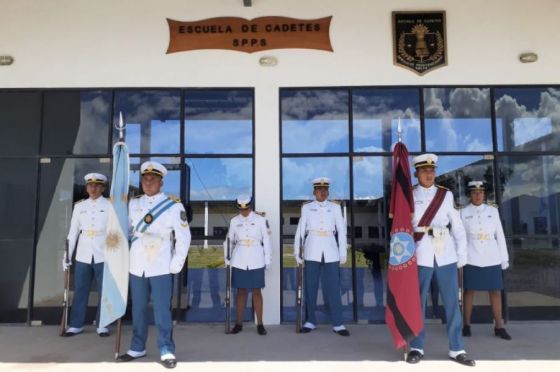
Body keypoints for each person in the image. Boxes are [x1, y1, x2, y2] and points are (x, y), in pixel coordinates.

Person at [117, 161, 191, 369]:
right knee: (138, 308)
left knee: (161, 310)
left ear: (161, 182)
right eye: (145, 179)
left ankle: (166, 349)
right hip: (137, 263)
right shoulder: (133, 203)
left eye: (153, 179)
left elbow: (183, 237)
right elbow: (127, 230)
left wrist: (176, 263)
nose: (148, 183)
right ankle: (137, 347)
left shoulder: (173, 205)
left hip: (160, 264)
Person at [406, 154, 475, 366]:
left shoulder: (445, 195)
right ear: (416, 173)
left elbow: (457, 226)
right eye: (424, 171)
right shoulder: (409, 195)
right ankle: (416, 346)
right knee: (417, 303)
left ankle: (457, 348)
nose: (429, 174)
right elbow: (403, 228)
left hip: (445, 253)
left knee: (452, 303)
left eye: (432, 170)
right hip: (421, 253)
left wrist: (462, 255)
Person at [294, 177, 349, 336]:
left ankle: (338, 323)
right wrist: (297, 251)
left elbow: (341, 231)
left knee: (333, 288)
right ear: (314, 192)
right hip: (312, 249)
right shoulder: (307, 208)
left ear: (328, 191)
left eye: (325, 190)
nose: (323, 192)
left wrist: (343, 251)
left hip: (331, 249)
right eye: (319, 190)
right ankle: (310, 321)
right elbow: (300, 231)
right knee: (310, 287)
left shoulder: (335, 207)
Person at [461, 180, 511, 340]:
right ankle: (466, 325)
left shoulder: (492, 211)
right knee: (468, 291)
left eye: (480, 192)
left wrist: (504, 258)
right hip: (471, 256)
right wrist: (460, 258)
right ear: (470, 194)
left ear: (484, 194)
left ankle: (499, 326)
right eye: (474, 193)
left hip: (491, 256)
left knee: (495, 291)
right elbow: (460, 237)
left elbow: (500, 236)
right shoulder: (463, 212)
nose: (477, 195)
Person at [62, 173, 111, 337]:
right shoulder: (79, 206)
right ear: (86, 187)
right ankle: (76, 324)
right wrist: (66, 257)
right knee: (80, 290)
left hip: (104, 253)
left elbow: (115, 232)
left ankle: (102, 324)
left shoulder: (110, 205)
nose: (94, 188)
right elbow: (73, 233)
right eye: (90, 185)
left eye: (97, 186)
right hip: (83, 253)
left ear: (103, 188)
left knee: (104, 291)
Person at [224, 195, 271, 335]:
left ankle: (260, 324)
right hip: (239, 259)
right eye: (241, 209)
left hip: (257, 258)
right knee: (241, 292)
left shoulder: (260, 220)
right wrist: (227, 257)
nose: (243, 212)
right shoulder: (234, 221)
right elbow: (229, 240)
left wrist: (268, 260)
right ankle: (238, 324)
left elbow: (267, 240)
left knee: (257, 291)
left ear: (250, 207)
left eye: (246, 209)